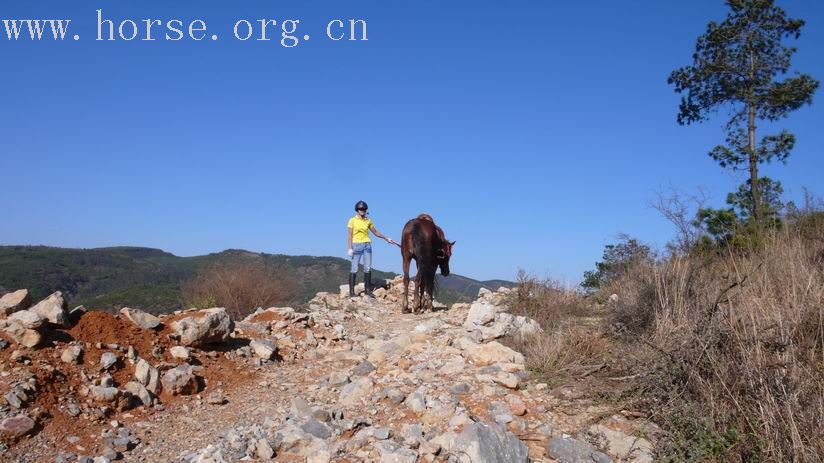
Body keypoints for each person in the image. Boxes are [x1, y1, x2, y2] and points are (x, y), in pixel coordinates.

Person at [347, 200, 395, 297]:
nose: (362, 210)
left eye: (364, 209)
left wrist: (386, 238)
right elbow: (349, 235)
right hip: (356, 245)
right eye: (360, 209)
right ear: (357, 210)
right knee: (354, 268)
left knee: (367, 268)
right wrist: (350, 248)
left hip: (367, 245)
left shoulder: (368, 220)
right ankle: (352, 292)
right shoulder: (352, 220)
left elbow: (375, 232)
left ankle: (367, 290)